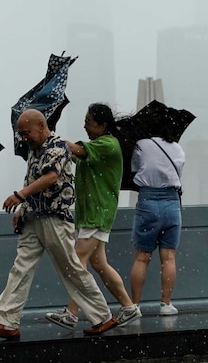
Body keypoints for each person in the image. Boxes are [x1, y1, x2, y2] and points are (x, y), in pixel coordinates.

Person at [0, 109, 119, 339]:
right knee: (21, 267)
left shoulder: (57, 146)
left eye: (27, 133)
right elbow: (32, 179)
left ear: (41, 126)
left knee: (71, 268)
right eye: (21, 134)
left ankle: (103, 316)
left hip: (54, 217)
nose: (24, 138)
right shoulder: (34, 150)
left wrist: (20, 195)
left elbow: (51, 177)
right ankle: (7, 321)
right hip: (33, 218)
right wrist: (23, 208)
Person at [45, 103, 142, 330]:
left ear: (103, 125)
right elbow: (77, 154)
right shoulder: (98, 146)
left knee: (77, 261)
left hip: (98, 213)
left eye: (89, 121)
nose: (85, 125)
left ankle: (72, 312)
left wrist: (50, 135)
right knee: (99, 263)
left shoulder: (108, 144)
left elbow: (77, 151)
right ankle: (128, 307)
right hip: (92, 214)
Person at [128, 120, 185, 316]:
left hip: (148, 201)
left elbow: (135, 169)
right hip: (172, 203)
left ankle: (134, 306)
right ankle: (166, 304)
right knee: (168, 258)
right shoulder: (178, 148)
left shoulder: (141, 145)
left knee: (142, 257)